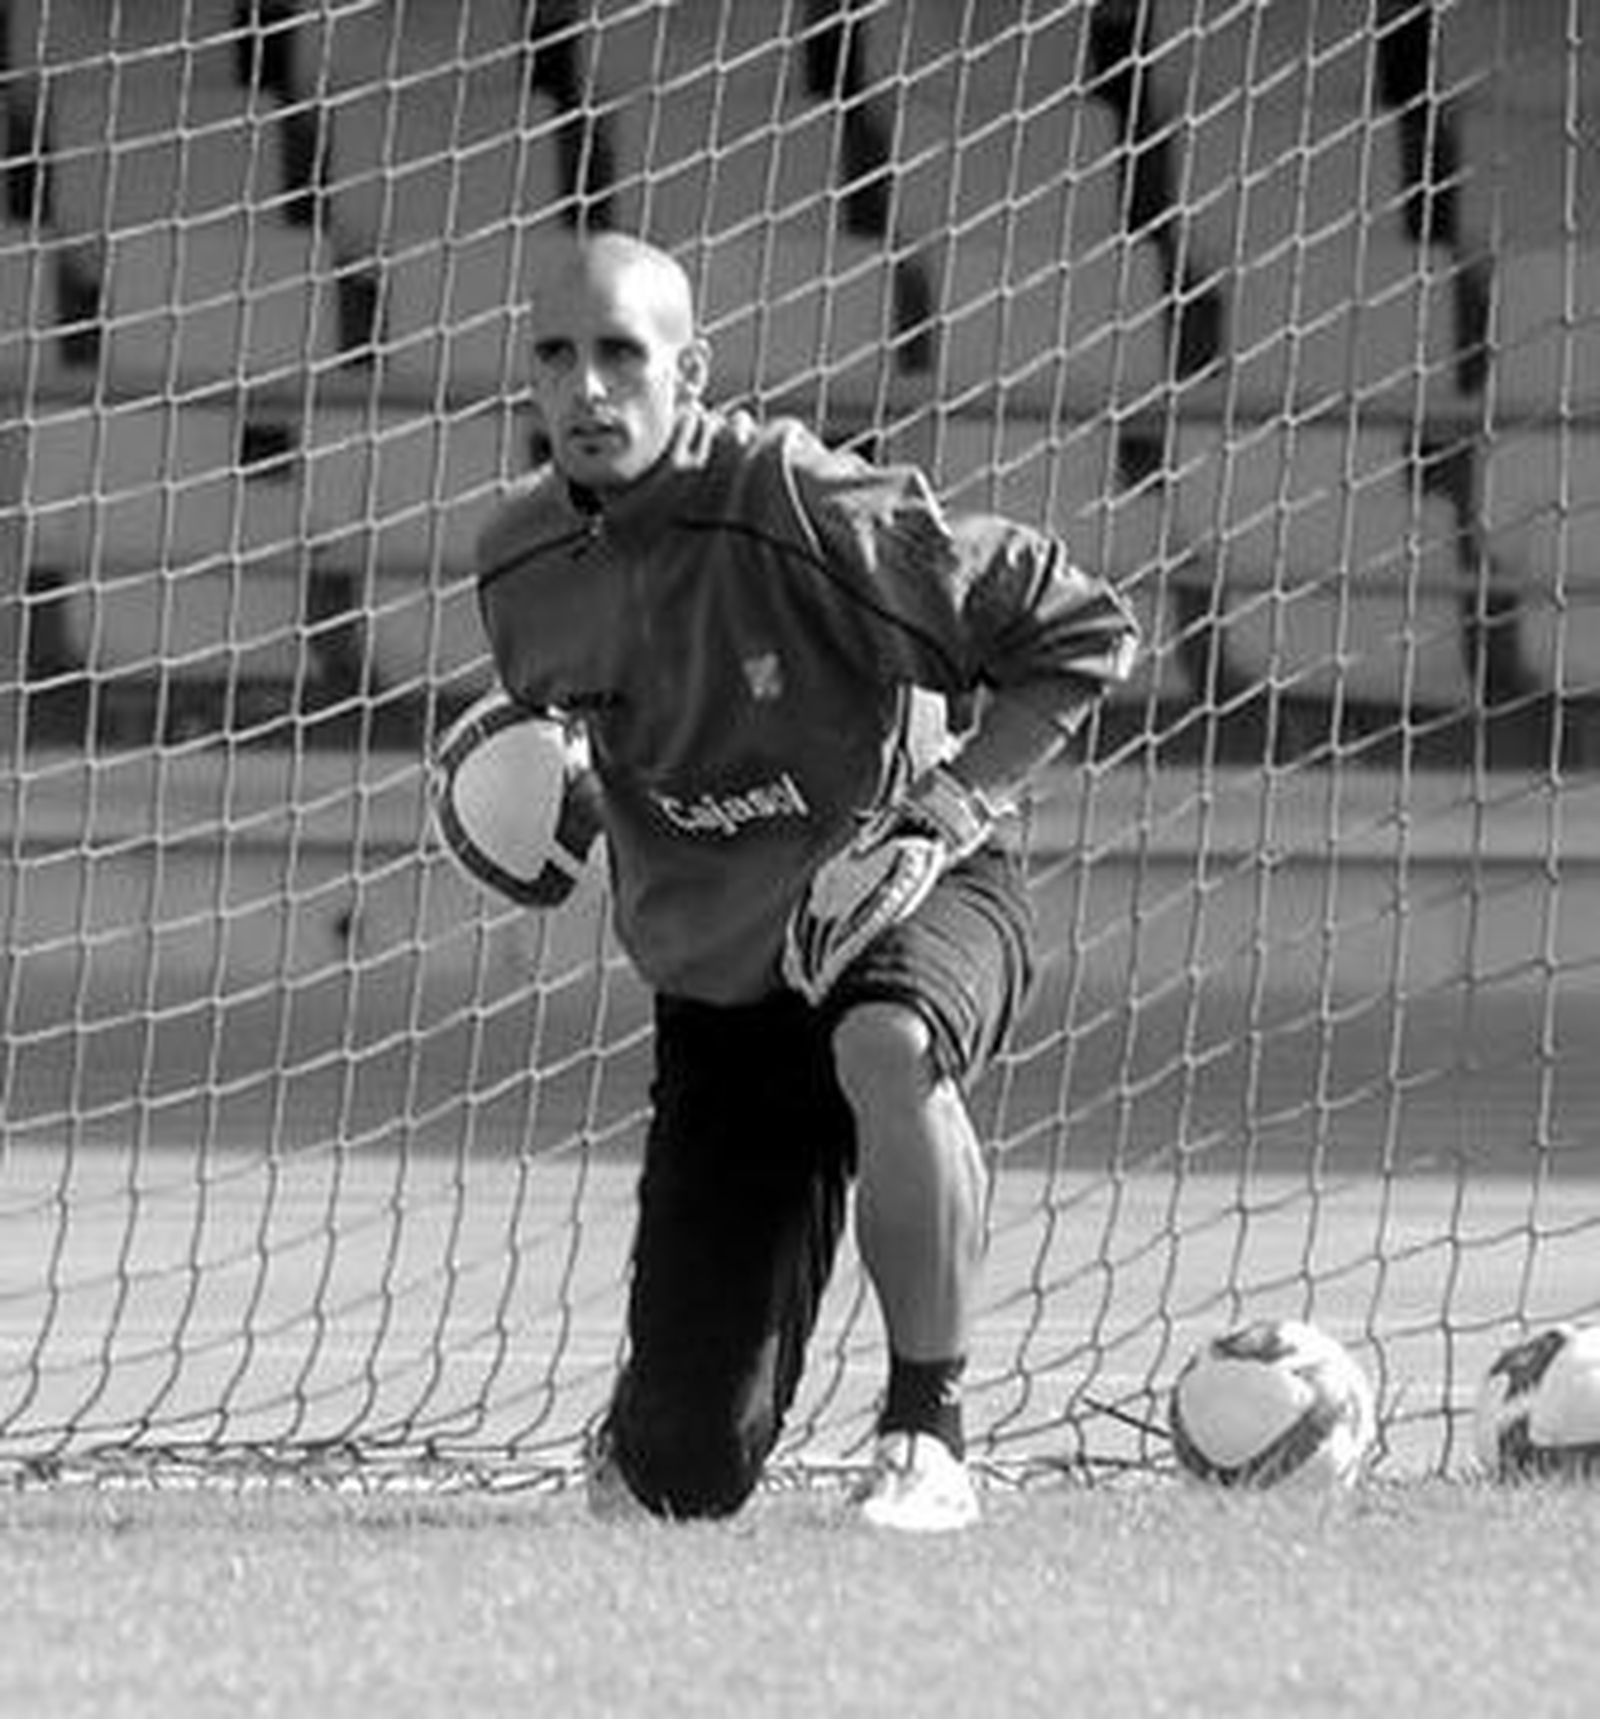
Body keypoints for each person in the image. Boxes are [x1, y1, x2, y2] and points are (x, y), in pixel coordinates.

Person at [472, 232, 1139, 1531]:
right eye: (559, 356)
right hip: (725, 987)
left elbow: (1081, 631)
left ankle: (927, 1436)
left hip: (909, 892)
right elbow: (591, 744)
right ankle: (665, 1427)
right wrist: (550, 808)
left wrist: (942, 811)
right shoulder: (518, 568)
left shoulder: (801, 502)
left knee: (888, 1043)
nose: (590, 389)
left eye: (623, 353)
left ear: (690, 371)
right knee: (680, 1481)